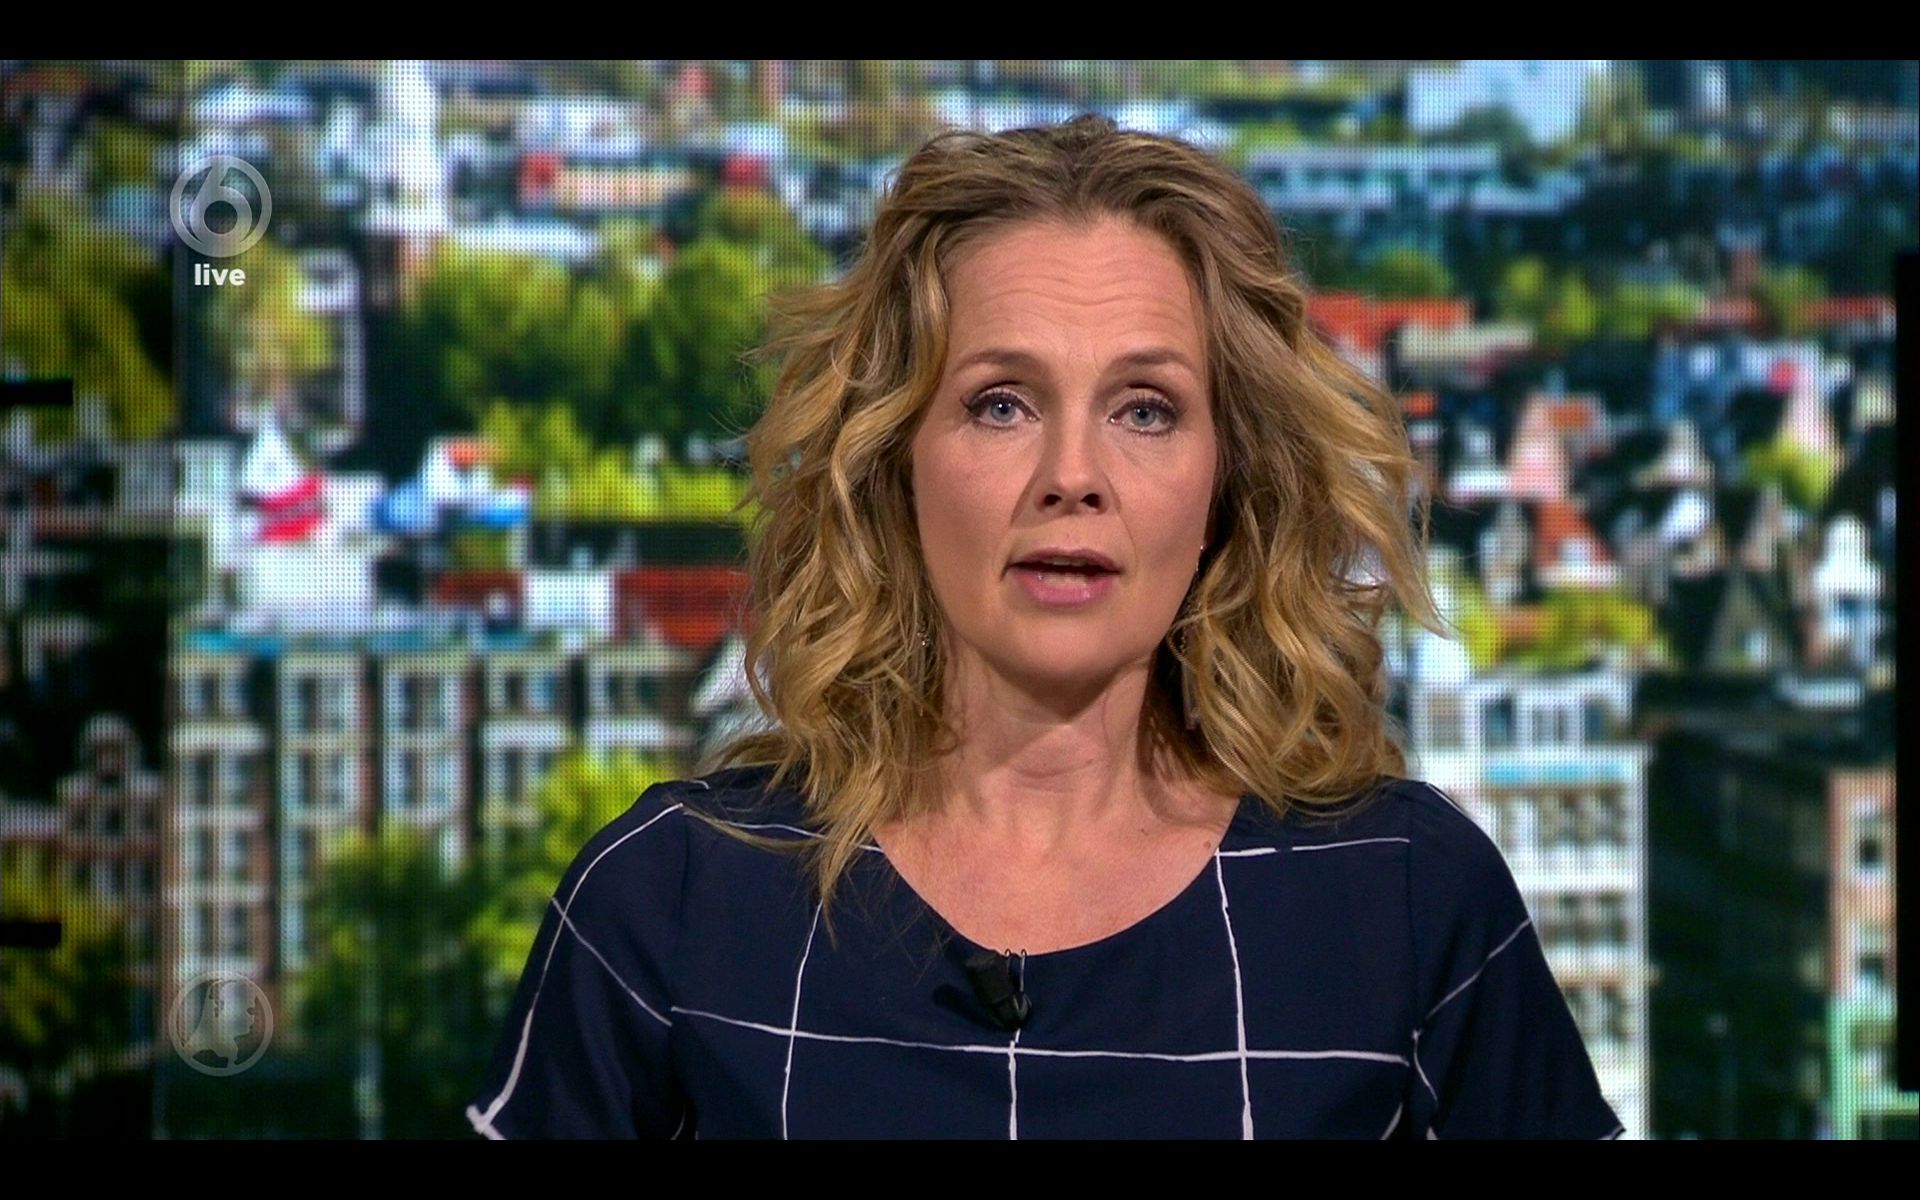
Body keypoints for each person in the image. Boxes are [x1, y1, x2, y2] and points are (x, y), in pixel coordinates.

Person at [465, 114, 1625, 1140]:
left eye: (1145, 410)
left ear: (1228, 480)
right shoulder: (667, 901)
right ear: (895, 464)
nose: (1074, 475)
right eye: (1001, 404)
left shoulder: (1405, 897)